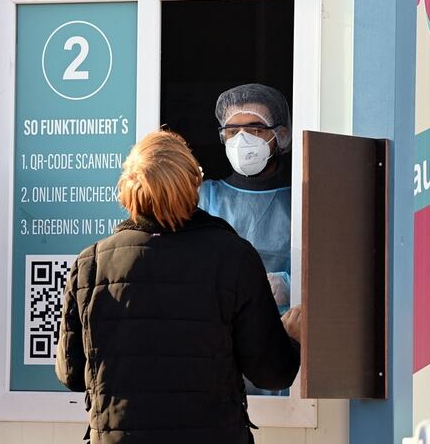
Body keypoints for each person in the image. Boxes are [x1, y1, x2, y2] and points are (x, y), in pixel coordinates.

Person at [56, 131, 302, 444]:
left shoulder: (91, 264)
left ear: (128, 188)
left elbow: (72, 374)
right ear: (193, 185)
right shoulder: (233, 257)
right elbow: (272, 373)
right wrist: (292, 337)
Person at [199, 84, 293, 313]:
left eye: (255, 130)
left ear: (280, 135)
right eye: (232, 131)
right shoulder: (205, 197)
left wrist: (290, 285)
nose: (243, 140)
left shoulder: (299, 201)